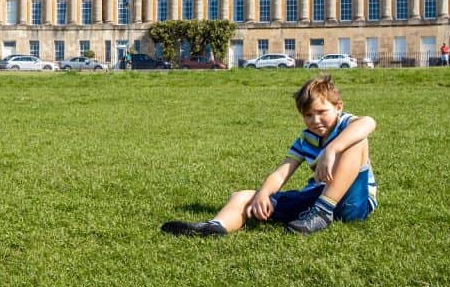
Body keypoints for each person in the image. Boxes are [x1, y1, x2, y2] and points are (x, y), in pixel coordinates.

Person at [161, 75, 377, 236]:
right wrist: (264, 193)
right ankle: (215, 227)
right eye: (308, 115)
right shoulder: (306, 139)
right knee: (245, 196)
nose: (315, 120)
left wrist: (332, 149)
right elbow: (281, 173)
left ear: (338, 107)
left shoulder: (346, 123)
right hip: (316, 195)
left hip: (353, 203)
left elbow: (369, 123)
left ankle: (323, 212)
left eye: (322, 112)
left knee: (357, 139)